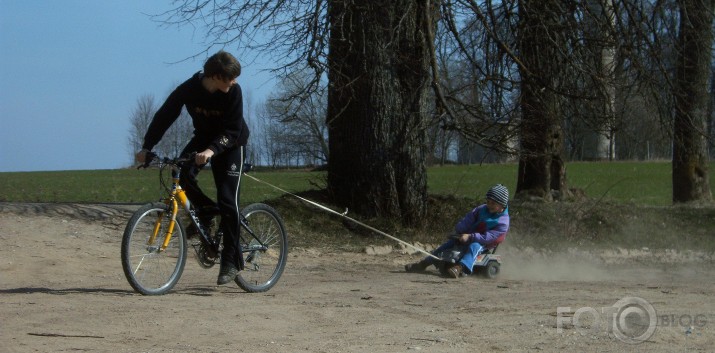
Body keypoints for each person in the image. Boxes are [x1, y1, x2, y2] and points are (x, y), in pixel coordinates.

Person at [135, 51, 249, 286]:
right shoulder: (188, 88)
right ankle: (205, 212)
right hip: (203, 137)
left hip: (231, 144)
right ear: (216, 77)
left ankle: (231, 260)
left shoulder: (234, 92)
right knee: (181, 173)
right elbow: (165, 115)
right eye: (231, 78)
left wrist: (211, 151)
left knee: (228, 200)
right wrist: (147, 146)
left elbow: (233, 130)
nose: (235, 82)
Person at [405, 184, 510, 278]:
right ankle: (423, 264)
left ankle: (460, 267)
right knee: (446, 245)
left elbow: (488, 237)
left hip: (483, 243)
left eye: (493, 203)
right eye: (488, 201)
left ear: (502, 205)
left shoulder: (503, 222)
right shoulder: (481, 209)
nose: (489, 205)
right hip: (467, 235)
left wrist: (470, 237)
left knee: (474, 247)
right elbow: (468, 219)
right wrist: (459, 230)